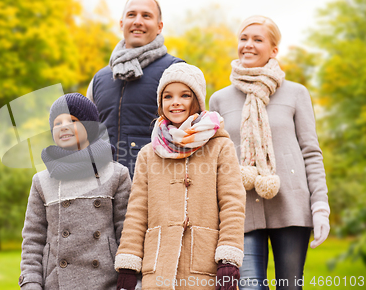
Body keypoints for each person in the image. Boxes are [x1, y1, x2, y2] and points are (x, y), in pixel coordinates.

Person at [209, 16, 330, 290]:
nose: (248, 45)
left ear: (274, 50)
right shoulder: (219, 99)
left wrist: (320, 206)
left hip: (291, 206)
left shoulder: (296, 93)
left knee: (290, 287)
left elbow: (311, 152)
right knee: (251, 286)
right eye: (243, 38)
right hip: (242, 210)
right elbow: (219, 159)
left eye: (257, 39)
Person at [114, 63, 246, 290]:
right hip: (158, 266)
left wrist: (228, 258)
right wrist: (128, 262)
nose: (175, 102)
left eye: (184, 95)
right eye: (168, 96)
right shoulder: (149, 153)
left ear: (197, 101)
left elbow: (232, 204)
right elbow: (137, 211)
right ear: (160, 103)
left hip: (202, 266)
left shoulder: (220, 147)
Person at [18, 93, 132, 289]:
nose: (63, 126)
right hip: (56, 283)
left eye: (72, 120)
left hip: (106, 282)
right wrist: (30, 282)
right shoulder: (41, 180)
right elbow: (33, 239)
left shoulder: (117, 174)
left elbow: (127, 233)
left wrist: (129, 279)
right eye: (57, 122)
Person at [86, 0, 184, 178]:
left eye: (146, 16)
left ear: (159, 26)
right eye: (132, 15)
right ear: (122, 23)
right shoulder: (99, 79)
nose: (138, 21)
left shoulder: (175, 70)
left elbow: (189, 133)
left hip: (155, 186)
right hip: (104, 190)